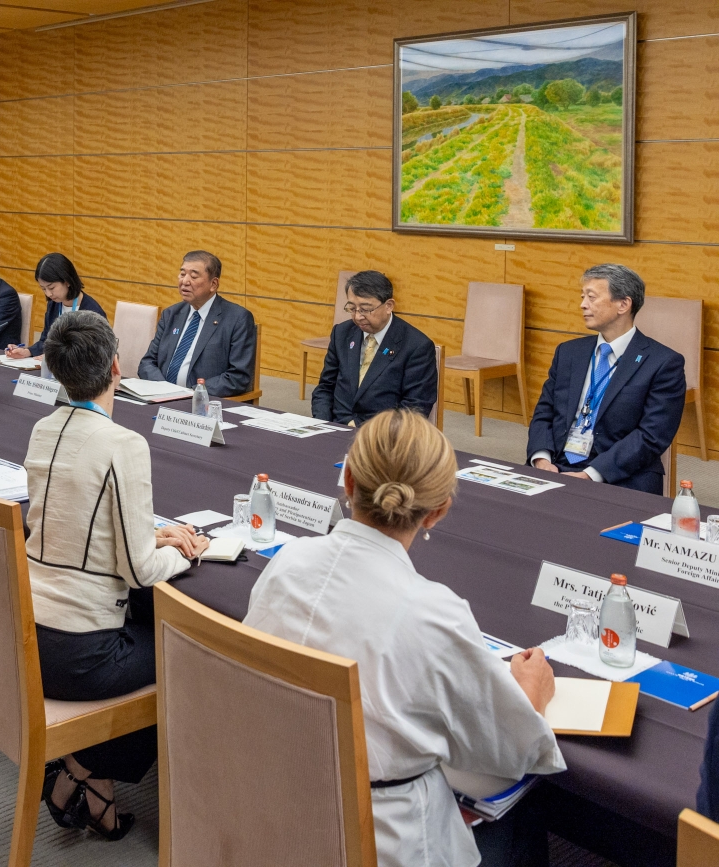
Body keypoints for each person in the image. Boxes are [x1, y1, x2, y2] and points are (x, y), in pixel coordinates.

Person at [244, 409, 565, 867]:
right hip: (378, 845)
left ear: (348, 480)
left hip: (274, 815)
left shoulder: (288, 562)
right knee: (520, 810)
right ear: (438, 511)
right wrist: (531, 693)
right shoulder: (434, 612)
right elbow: (512, 752)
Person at [27, 311, 207, 840]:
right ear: (115, 367)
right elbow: (140, 572)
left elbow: (73, 520)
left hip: (27, 637)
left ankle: (85, 777)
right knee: (186, 653)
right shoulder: (123, 444)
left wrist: (153, 533)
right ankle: (85, 772)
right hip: (80, 656)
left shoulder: (42, 428)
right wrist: (191, 552)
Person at [527, 264, 686, 494]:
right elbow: (544, 412)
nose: (582, 304)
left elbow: (651, 437)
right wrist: (541, 459)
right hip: (555, 466)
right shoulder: (569, 352)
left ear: (623, 304)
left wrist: (589, 475)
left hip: (619, 476)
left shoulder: (662, 363)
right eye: (582, 297)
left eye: (591, 297)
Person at [311, 270, 438, 425]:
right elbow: (325, 388)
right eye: (352, 308)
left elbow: (414, 409)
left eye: (365, 309)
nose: (357, 316)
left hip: (381, 437)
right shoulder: (342, 333)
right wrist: (321, 425)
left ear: (389, 306)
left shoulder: (417, 346)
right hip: (336, 428)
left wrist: (368, 433)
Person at [137, 251, 256, 397]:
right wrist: (164, 390)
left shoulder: (237, 319)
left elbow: (238, 377)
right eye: (182, 274)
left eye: (193, 276)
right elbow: (147, 362)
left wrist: (193, 393)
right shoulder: (171, 314)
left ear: (213, 284)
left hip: (201, 403)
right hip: (161, 397)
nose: (185, 281)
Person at [5, 253, 105, 359]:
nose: (48, 294)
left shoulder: (93, 312)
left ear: (67, 281)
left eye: (51, 288)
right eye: (43, 289)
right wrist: (27, 352)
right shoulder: (54, 305)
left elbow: (92, 355)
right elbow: (46, 340)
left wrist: (54, 357)